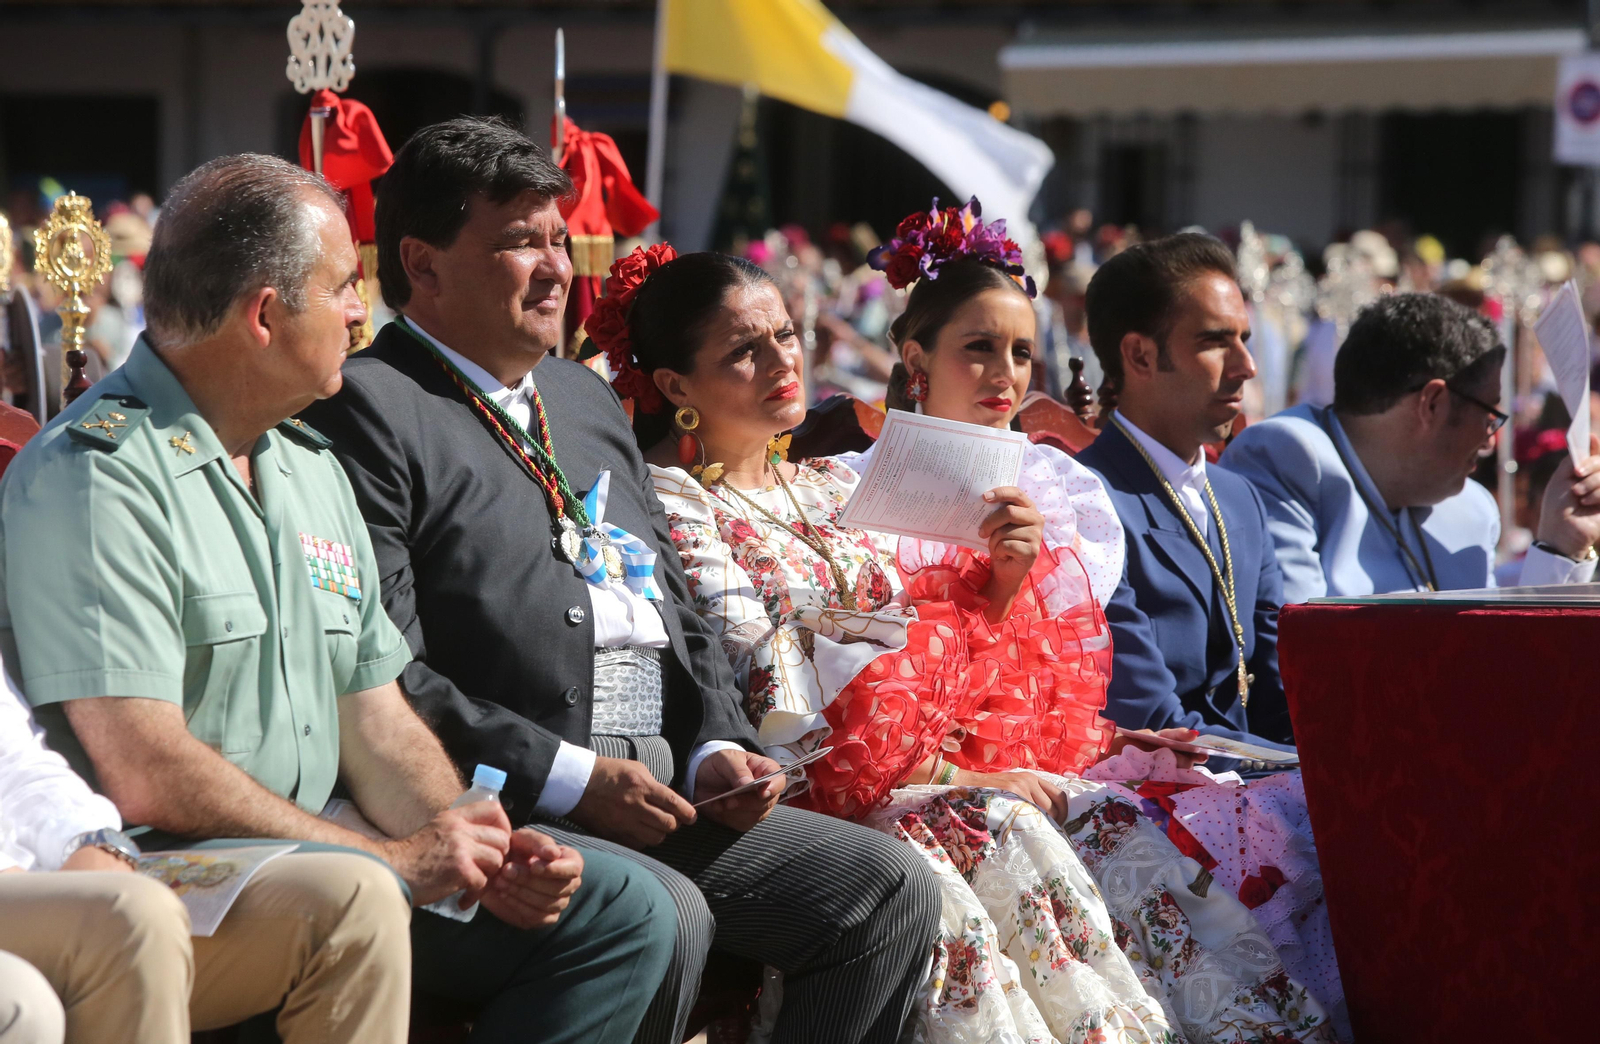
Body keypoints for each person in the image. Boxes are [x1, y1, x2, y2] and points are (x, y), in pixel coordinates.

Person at [611, 199, 1335, 1043]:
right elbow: (765, 669)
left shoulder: (825, 488)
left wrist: (999, 591)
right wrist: (951, 761)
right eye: (745, 349)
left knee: (1102, 820)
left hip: (919, 764)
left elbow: (921, 647)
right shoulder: (676, 501)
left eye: (784, 336)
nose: (781, 361)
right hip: (812, 780)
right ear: (673, 386)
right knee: (987, 835)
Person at [0, 153, 674, 1044]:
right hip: (176, 867)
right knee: (354, 892)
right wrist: (386, 857)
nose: (365, 311)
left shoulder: (306, 465)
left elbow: (376, 715)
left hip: (328, 840)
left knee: (624, 909)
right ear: (267, 316)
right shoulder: (99, 476)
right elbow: (145, 765)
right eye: (345, 286)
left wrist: (464, 834)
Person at [300, 117, 939, 1044]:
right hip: (500, 806)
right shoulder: (370, 403)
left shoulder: (581, 395)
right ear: (423, 264)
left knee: (885, 892)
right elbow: (386, 668)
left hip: (662, 788)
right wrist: (568, 780)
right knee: (664, 912)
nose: (558, 267)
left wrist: (718, 744)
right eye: (522, 242)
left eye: (559, 238)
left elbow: (675, 600)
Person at [1222, 293, 1600, 603]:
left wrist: (1559, 546)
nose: (1490, 441)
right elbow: (1297, 652)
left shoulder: (1473, 509)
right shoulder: (1288, 457)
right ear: (1432, 403)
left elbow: (1500, 657)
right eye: (1489, 416)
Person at [1075, 233, 1293, 752]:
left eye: (1244, 337)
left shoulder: (1240, 496)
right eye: (1216, 341)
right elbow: (1151, 721)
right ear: (1140, 355)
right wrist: (1298, 767)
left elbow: (1286, 686)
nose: (1247, 365)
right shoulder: (1084, 499)